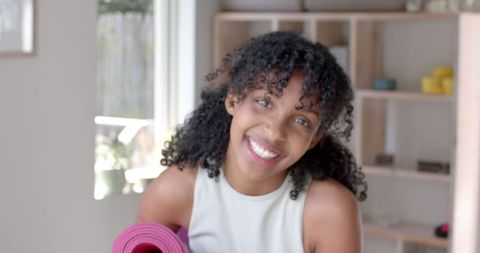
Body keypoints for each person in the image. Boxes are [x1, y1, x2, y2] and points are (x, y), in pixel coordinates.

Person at [137, 31, 367, 253]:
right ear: (234, 99)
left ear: (314, 139)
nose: (275, 131)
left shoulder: (330, 211)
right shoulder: (177, 190)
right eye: (265, 102)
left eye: (301, 120)